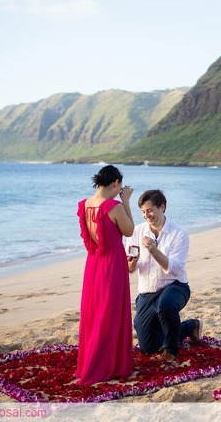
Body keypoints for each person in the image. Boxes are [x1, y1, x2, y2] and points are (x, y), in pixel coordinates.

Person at [75, 165, 135, 385]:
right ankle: (105, 364)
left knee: (96, 313)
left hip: (93, 264)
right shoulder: (114, 206)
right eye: (120, 187)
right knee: (110, 313)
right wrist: (126, 201)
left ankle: (93, 361)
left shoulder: (84, 205)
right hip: (112, 264)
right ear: (116, 183)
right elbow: (129, 231)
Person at [127, 189, 202, 362]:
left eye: (150, 210)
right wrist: (132, 263)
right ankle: (191, 326)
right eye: (143, 212)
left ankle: (171, 351)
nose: (146, 215)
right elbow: (130, 269)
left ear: (162, 207)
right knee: (148, 347)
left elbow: (175, 269)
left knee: (165, 306)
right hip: (147, 292)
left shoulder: (179, 233)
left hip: (175, 286)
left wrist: (154, 251)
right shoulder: (136, 232)